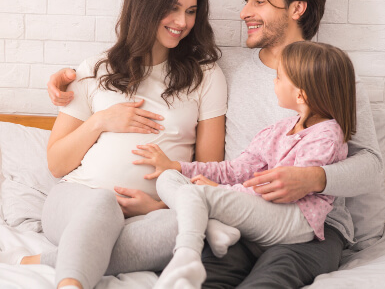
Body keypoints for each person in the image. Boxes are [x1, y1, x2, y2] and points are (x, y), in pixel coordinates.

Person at [45, 0, 384, 288]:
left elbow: (369, 164)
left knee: (273, 275)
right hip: (237, 215)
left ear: (297, 8)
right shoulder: (226, 69)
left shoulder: (333, 77)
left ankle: (59, 261)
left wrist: (313, 178)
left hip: (308, 225)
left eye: (259, 2)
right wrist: (70, 87)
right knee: (203, 276)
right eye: (245, 0)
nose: (243, 13)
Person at [5, 0, 228, 289]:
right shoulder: (96, 70)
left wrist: (155, 206)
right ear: (145, 6)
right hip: (78, 199)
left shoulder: (206, 76)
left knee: (197, 226)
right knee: (103, 202)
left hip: (153, 213)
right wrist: (100, 121)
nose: (182, 21)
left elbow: (208, 173)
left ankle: (48, 261)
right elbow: (56, 163)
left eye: (191, 11)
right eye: (173, 8)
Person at [133, 41, 356, 289]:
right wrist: (179, 167)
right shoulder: (280, 129)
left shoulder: (326, 136)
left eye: (279, 77)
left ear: (300, 94)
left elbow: (282, 191)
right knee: (170, 179)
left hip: (295, 219)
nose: (274, 82)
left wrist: (220, 193)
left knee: (199, 195)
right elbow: (236, 170)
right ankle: (213, 225)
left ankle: (188, 251)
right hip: (262, 212)